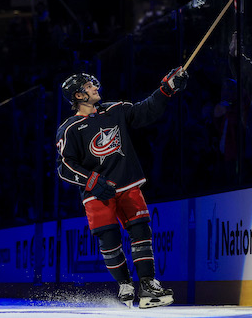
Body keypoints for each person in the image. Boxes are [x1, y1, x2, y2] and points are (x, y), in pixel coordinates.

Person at [55, 67, 188, 308]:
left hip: (127, 183)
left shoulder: (115, 110)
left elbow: (145, 110)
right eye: (89, 86)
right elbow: (64, 167)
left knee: (140, 232)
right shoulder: (70, 128)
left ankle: (148, 285)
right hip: (97, 193)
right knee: (109, 239)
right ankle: (125, 284)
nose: (95, 87)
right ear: (78, 96)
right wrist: (92, 181)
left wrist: (166, 89)